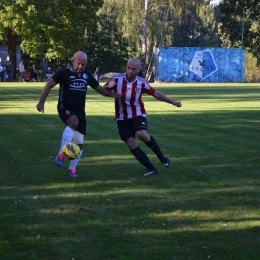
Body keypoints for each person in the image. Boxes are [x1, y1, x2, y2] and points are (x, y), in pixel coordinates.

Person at [36, 51, 121, 178]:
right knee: (74, 122)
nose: (80, 67)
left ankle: (72, 168)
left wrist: (112, 95)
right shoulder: (64, 73)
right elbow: (48, 85)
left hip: (80, 111)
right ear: (73, 61)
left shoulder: (87, 75)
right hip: (65, 107)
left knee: (79, 142)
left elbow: (100, 90)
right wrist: (41, 102)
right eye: (78, 63)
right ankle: (61, 154)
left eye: (83, 64)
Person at [105, 58, 182, 177]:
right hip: (122, 118)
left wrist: (173, 102)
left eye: (133, 69)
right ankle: (151, 168)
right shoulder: (116, 79)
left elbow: (156, 93)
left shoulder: (141, 83)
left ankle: (162, 157)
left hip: (138, 114)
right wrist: (108, 89)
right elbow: (102, 90)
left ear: (139, 70)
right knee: (131, 142)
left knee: (142, 134)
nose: (130, 71)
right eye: (128, 68)